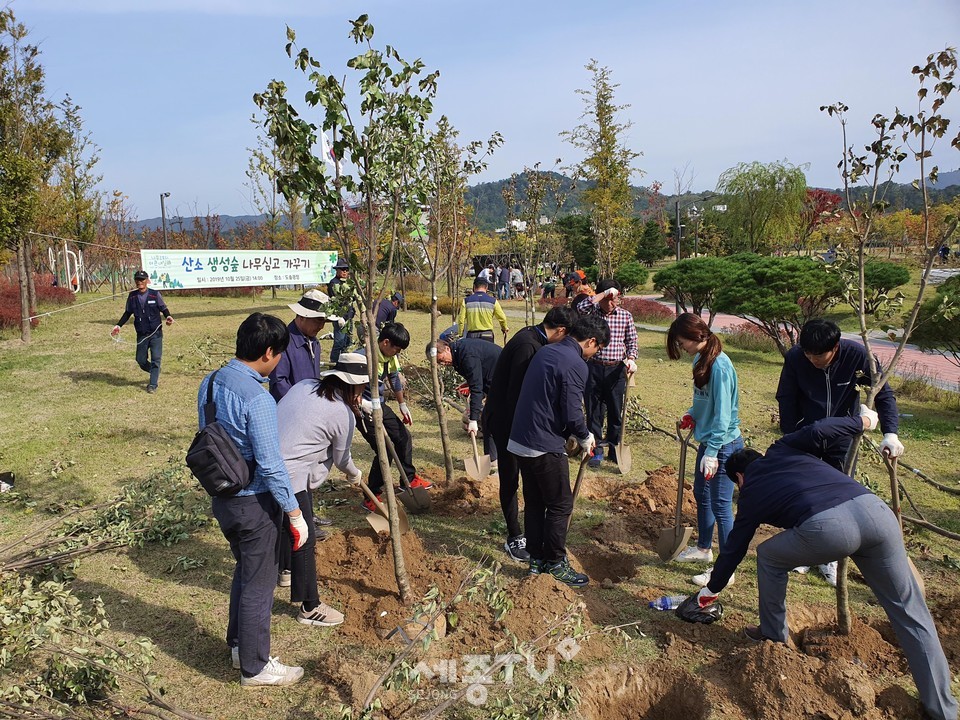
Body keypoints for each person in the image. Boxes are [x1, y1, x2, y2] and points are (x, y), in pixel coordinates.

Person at [690, 412, 957, 720]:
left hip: (831, 528)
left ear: (739, 478)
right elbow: (819, 429)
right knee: (910, 612)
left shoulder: (750, 492)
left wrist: (711, 589)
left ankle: (773, 638)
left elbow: (735, 548)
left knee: (769, 556)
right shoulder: (783, 448)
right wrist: (863, 422)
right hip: (876, 513)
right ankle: (944, 710)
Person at [198, 312, 309, 688]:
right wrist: (294, 512)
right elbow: (271, 465)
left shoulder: (211, 382)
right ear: (267, 353)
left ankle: (238, 646)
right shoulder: (258, 399)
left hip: (223, 497)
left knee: (245, 572)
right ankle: (256, 667)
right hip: (253, 504)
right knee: (260, 585)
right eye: (280, 354)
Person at [776, 317, 904, 586]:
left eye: (818, 355)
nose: (812, 360)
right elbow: (786, 396)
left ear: (835, 347)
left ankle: (829, 558)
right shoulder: (796, 358)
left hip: (843, 438)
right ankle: (804, 550)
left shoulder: (857, 356)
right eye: (808, 354)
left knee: (837, 498)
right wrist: (791, 435)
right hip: (806, 435)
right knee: (803, 492)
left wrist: (890, 433)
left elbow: (882, 394)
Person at [507, 313, 609, 587]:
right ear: (591, 341)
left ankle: (536, 560)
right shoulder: (575, 363)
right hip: (542, 443)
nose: (594, 355)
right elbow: (572, 412)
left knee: (536, 502)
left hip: (520, 439)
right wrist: (585, 436)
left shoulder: (547, 351)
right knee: (560, 504)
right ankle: (555, 562)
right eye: (597, 348)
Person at [276, 354, 369, 629]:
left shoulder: (304, 385)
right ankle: (310, 607)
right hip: (291, 475)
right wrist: (355, 474)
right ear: (353, 386)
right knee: (304, 536)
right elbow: (342, 459)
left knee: (284, 523)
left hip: (266, 464)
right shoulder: (342, 413)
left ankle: (286, 570)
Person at [483, 306, 576, 562]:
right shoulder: (528, 346)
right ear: (561, 330)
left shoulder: (533, 337)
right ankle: (514, 536)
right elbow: (516, 395)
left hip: (517, 421)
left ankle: (532, 531)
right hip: (506, 422)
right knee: (511, 478)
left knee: (527, 479)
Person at [666, 314, 744, 587]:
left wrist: (712, 452)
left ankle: (726, 570)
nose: (682, 347)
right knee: (701, 494)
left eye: (682, 342)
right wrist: (691, 414)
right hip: (709, 442)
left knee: (721, 505)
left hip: (723, 445)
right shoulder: (701, 359)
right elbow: (703, 401)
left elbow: (723, 415)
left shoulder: (720, 366)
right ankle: (703, 549)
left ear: (696, 336)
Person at [356, 322, 431, 510]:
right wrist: (362, 404)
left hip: (379, 405)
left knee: (403, 437)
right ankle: (371, 496)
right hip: (361, 410)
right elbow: (344, 389)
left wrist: (402, 404)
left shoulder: (389, 356)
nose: (397, 353)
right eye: (396, 349)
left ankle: (409, 480)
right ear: (385, 342)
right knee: (384, 450)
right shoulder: (362, 358)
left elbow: (394, 379)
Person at [576, 279, 638, 467]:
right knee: (594, 410)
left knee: (615, 410)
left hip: (616, 369)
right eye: (608, 299)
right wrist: (602, 294)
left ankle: (614, 447)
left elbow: (632, 341)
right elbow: (579, 307)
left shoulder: (625, 316)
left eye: (615, 299)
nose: (612, 303)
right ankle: (596, 451)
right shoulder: (592, 313)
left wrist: (631, 358)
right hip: (593, 367)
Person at [432, 336, 502, 465]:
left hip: (505, 380)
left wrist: (473, 420)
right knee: (488, 419)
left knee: (493, 419)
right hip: (492, 382)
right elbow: (475, 379)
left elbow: (476, 387)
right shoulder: (458, 354)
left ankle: (499, 459)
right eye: (439, 362)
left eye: (441, 359)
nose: (442, 364)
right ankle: (492, 459)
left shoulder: (467, 355)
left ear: (447, 349)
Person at [111, 270, 174, 394]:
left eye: (142, 279)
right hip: (142, 334)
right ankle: (154, 371)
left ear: (147, 281)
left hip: (155, 333)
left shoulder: (155, 295)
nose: (140, 282)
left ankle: (153, 384)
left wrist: (168, 316)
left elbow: (163, 308)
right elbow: (127, 313)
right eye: (137, 280)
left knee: (156, 359)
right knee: (140, 360)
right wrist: (118, 325)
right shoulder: (132, 296)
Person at [268, 289, 329, 403]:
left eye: (324, 321)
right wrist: (298, 404)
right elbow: (279, 382)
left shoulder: (315, 343)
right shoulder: (284, 342)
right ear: (302, 316)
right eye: (318, 320)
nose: (322, 326)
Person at [457, 277, 509, 343]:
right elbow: (502, 318)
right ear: (486, 287)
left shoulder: (466, 301)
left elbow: (461, 320)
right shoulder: (493, 301)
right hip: (487, 335)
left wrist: (460, 334)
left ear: (474, 287)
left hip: (472, 336)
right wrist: (504, 328)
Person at [327, 257, 354, 363]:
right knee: (339, 343)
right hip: (340, 317)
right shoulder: (334, 283)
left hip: (349, 317)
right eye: (342, 269)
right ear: (337, 270)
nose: (345, 271)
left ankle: (344, 363)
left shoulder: (349, 282)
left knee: (348, 343)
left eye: (346, 269)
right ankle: (333, 362)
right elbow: (337, 301)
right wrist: (339, 317)